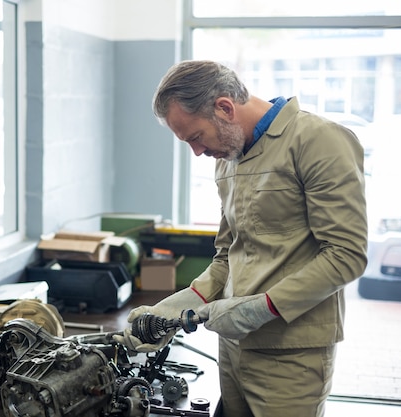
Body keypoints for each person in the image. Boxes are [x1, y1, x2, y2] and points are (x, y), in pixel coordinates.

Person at [114, 60, 368, 417]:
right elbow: (226, 256)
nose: (198, 152)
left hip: (290, 352)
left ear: (224, 108)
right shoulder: (228, 157)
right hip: (232, 346)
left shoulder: (317, 140)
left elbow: (346, 254)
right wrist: (174, 306)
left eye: (196, 137)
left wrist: (260, 308)